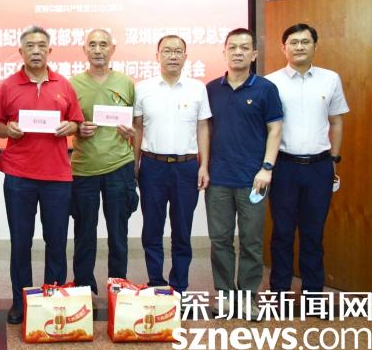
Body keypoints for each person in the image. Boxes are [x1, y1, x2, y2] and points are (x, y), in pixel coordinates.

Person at [0, 25, 83, 324]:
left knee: (56, 241)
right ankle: (20, 301)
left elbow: (76, 121)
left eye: (41, 45)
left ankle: (52, 298)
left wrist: (70, 127)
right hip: (19, 176)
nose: (36, 50)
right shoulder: (7, 86)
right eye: (30, 46)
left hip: (57, 176)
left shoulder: (64, 85)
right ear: (20, 51)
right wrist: (9, 130)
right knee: (21, 242)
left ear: (49, 50)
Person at [266, 23, 348, 299]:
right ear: (284, 48)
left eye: (305, 42)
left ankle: (313, 294)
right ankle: (279, 292)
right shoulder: (271, 82)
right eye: (293, 42)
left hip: (319, 167)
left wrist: (334, 159)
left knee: (313, 234)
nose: (299, 47)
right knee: (282, 233)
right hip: (284, 167)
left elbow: (336, 122)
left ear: (315, 46)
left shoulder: (330, 79)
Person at [205, 28, 282, 319]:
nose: (238, 52)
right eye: (233, 47)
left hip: (254, 180)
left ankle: (249, 297)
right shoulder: (211, 89)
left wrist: (267, 168)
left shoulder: (265, 88)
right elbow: (205, 130)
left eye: (244, 47)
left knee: (251, 241)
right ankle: (225, 295)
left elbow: (275, 130)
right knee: (220, 240)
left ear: (254, 54)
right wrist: (204, 166)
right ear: (224, 52)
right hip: (219, 179)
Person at [133, 35, 211, 293]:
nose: (173, 55)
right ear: (157, 56)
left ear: (186, 57)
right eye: (167, 51)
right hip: (152, 166)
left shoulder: (197, 88)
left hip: (186, 168)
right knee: (152, 229)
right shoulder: (143, 88)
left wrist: (203, 165)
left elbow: (203, 128)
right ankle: (156, 283)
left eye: (178, 51)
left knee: (182, 230)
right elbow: (137, 128)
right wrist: (135, 164)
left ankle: (179, 286)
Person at [70, 29, 139, 294]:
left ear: (112, 49)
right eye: (93, 45)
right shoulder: (73, 84)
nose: (98, 50)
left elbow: (136, 123)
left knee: (118, 234)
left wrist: (131, 132)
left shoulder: (126, 83)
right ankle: (83, 287)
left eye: (103, 44)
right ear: (84, 49)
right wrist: (78, 129)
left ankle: (117, 287)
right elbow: (67, 123)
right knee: (84, 234)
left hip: (119, 166)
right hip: (84, 167)